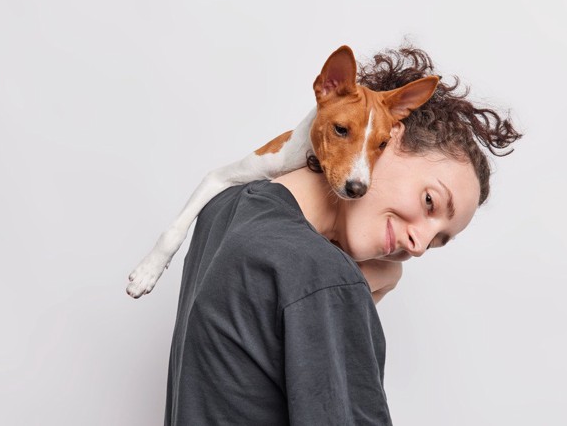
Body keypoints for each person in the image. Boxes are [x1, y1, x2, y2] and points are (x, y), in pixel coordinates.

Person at [163, 46, 521, 425]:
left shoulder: (224, 207)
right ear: (387, 138)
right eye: (430, 202)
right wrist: (345, 291)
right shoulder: (322, 276)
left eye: (437, 240)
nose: (418, 246)